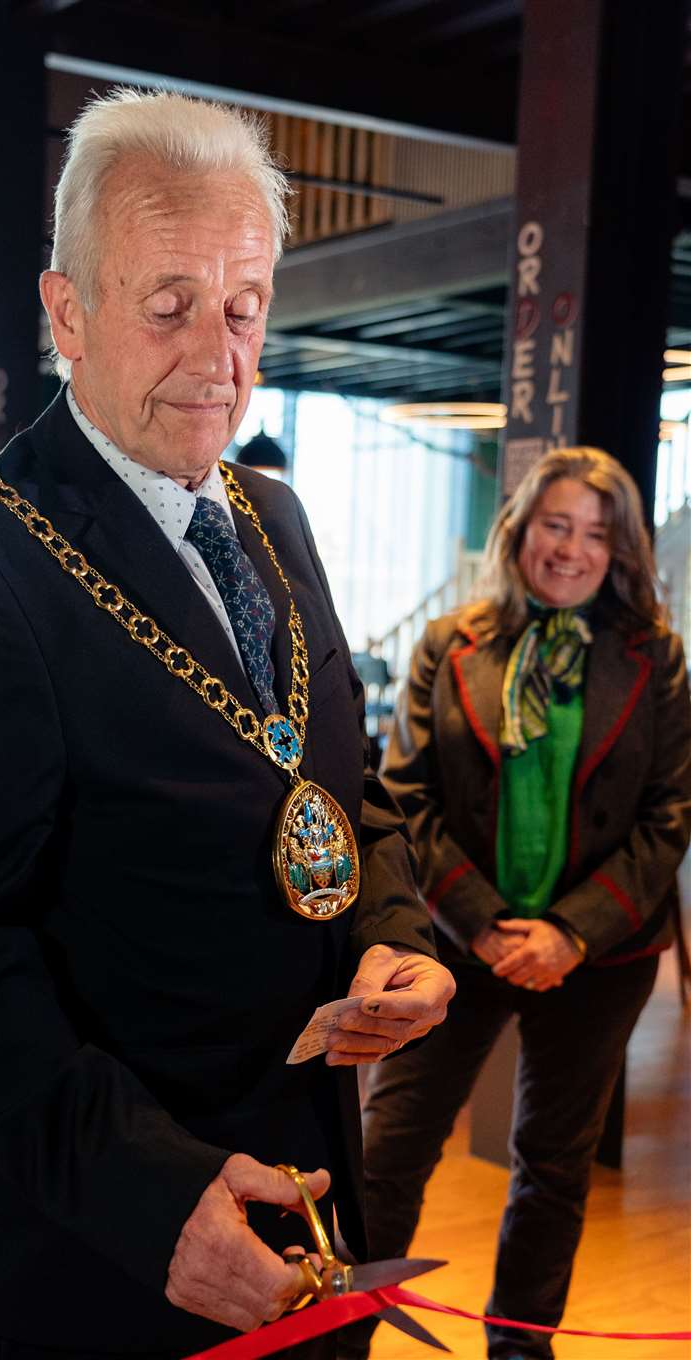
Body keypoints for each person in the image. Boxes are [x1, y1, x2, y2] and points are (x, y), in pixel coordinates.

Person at [0, 90, 454, 1359]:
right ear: (68, 310)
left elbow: (343, 800)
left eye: (243, 308)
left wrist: (391, 937)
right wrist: (151, 1195)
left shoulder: (276, 517)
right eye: (168, 303)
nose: (218, 353)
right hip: (121, 1241)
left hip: (315, 1203)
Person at [338, 446, 691, 1360]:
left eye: (597, 535)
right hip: (458, 943)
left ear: (622, 553)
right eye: (555, 524)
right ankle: (337, 1343)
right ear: (521, 529)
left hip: (598, 953)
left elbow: (669, 816)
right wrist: (486, 926)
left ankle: (519, 1349)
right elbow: (404, 800)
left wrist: (571, 933)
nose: (572, 550)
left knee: (552, 1167)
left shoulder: (656, 658)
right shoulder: (449, 642)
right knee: (389, 1150)